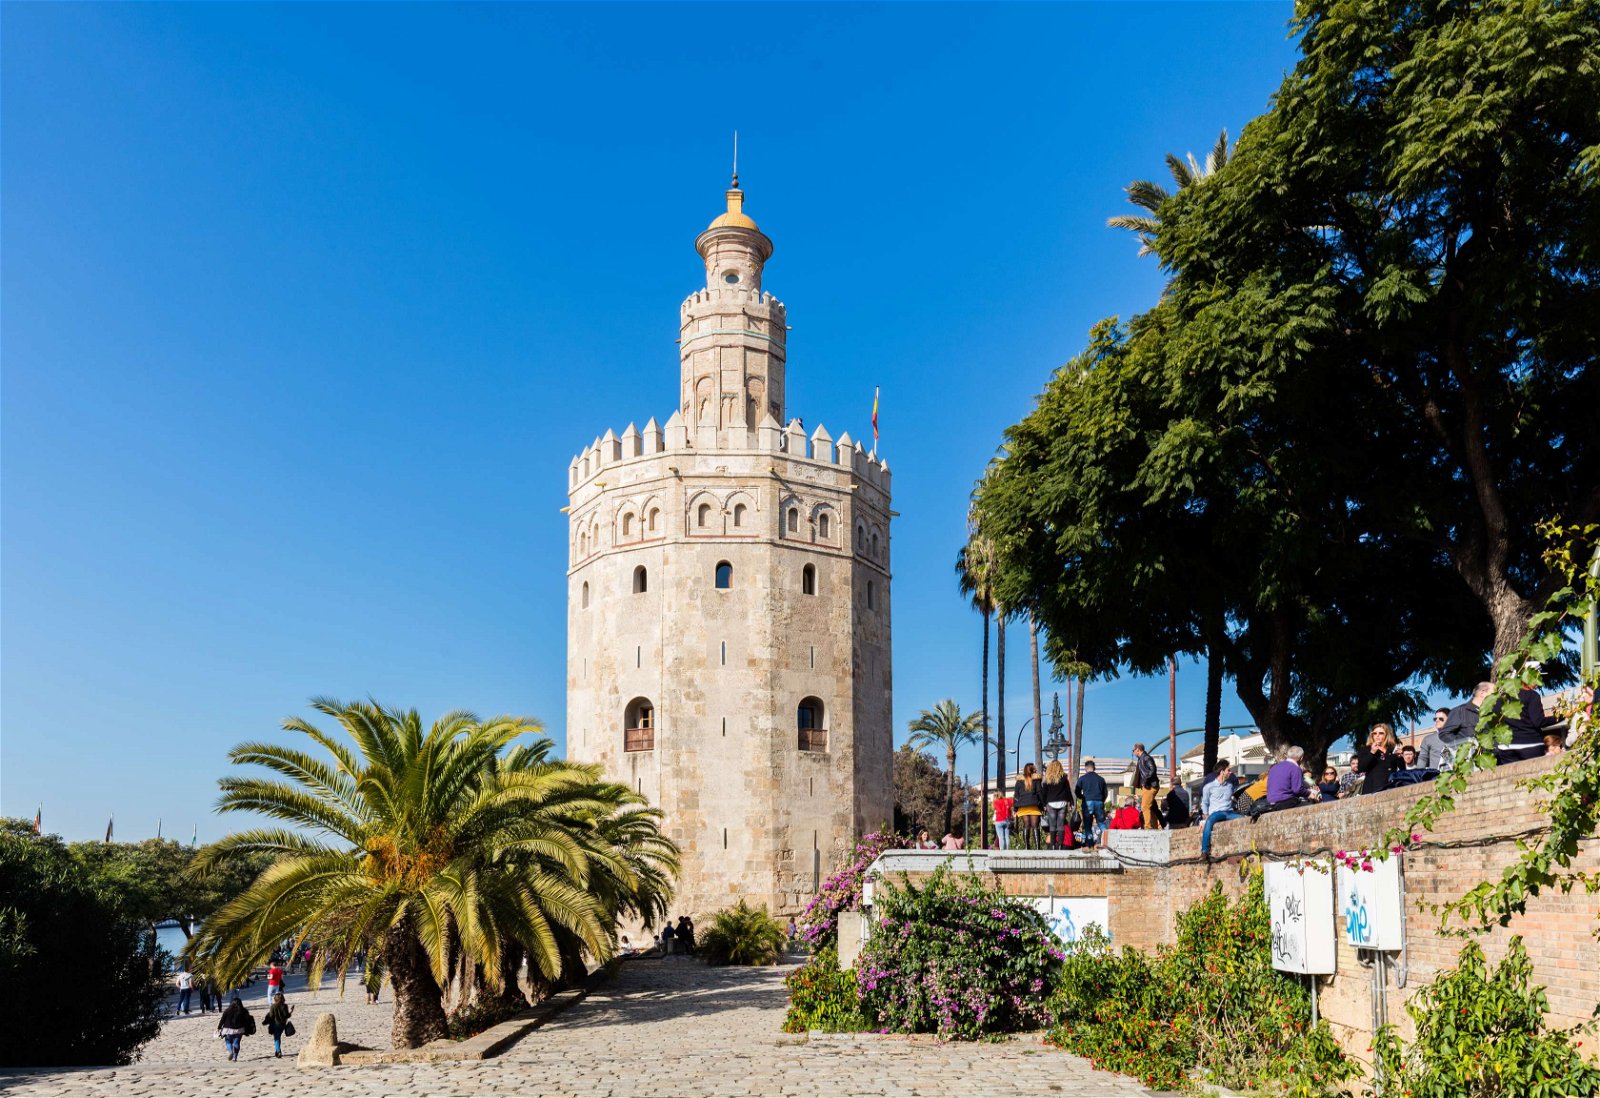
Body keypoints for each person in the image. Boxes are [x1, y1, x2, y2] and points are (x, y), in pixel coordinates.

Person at [1419, 683, 1492, 770]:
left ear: (1449, 720)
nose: (1437, 720)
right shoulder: (1429, 739)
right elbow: (1423, 758)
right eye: (1435, 719)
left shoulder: (1458, 736)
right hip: (1436, 775)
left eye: (1441, 719)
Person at [1198, 761, 1244, 858]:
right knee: (1209, 822)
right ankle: (1204, 851)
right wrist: (1206, 815)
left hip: (1229, 812)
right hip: (1216, 813)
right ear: (1222, 771)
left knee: (1244, 819)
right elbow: (1204, 802)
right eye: (1228, 770)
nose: (1230, 772)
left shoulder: (1230, 786)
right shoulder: (1209, 787)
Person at [1499, 678, 1548, 763]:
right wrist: (1559, 717)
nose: (1538, 684)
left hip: (1506, 746)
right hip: (1530, 744)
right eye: (1536, 679)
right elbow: (1538, 721)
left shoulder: (1501, 698)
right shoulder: (1532, 695)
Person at [1355, 723, 1399, 794]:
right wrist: (1372, 753)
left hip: (1391, 787)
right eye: (1374, 733)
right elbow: (1361, 768)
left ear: (1386, 735)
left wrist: (1400, 757)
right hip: (1373, 788)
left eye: (1381, 733)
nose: (1377, 735)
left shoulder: (1392, 750)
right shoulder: (1366, 749)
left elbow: (1401, 768)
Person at [1040, 760, 1072, 849]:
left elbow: (1044, 793)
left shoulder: (1047, 779)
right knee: (1061, 825)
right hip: (1062, 802)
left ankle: (1053, 845)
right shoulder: (1064, 777)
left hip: (1050, 803)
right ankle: (1060, 845)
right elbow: (1068, 791)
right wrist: (1070, 802)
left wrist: (1043, 804)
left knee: (1053, 825)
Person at [1074, 761, 1108, 841]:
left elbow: (1077, 791)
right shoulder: (1101, 779)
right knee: (1101, 823)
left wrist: (1082, 797)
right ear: (1094, 768)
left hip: (1087, 801)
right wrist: (1101, 800)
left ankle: (1090, 845)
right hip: (1099, 801)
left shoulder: (1082, 778)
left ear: (1085, 768)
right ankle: (1107, 841)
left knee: (1088, 825)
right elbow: (1105, 793)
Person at [1012, 763, 1044, 849]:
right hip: (1034, 804)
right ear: (1033, 770)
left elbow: (1016, 796)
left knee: (1026, 825)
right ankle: (1038, 847)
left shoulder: (1019, 781)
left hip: (1023, 806)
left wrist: (1015, 808)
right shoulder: (1037, 780)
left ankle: (1027, 846)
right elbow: (1039, 793)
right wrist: (1043, 805)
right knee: (1035, 826)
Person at [1131, 743, 1161, 829]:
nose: (1133, 752)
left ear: (1138, 750)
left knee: (1144, 806)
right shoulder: (1141, 759)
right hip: (1149, 785)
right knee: (1149, 807)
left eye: (1133, 750)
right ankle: (1155, 826)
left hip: (1150, 785)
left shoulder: (1146, 757)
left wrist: (1145, 781)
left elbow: (1153, 769)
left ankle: (1147, 827)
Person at [216, 994, 254, 1061]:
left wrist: (219, 1027)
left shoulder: (227, 1011)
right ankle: (235, 1057)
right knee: (236, 1043)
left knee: (228, 1042)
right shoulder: (244, 1011)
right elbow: (247, 1020)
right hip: (239, 1030)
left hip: (228, 1030)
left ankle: (231, 1052)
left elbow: (222, 1020)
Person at [264, 991, 294, 1059]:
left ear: (275, 999)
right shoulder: (285, 1006)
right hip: (283, 1025)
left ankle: (278, 1051)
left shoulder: (273, 1006)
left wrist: (266, 1022)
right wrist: (291, 1011)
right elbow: (287, 1016)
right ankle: (277, 1051)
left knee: (276, 1038)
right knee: (278, 1037)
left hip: (276, 1024)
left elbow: (271, 1016)